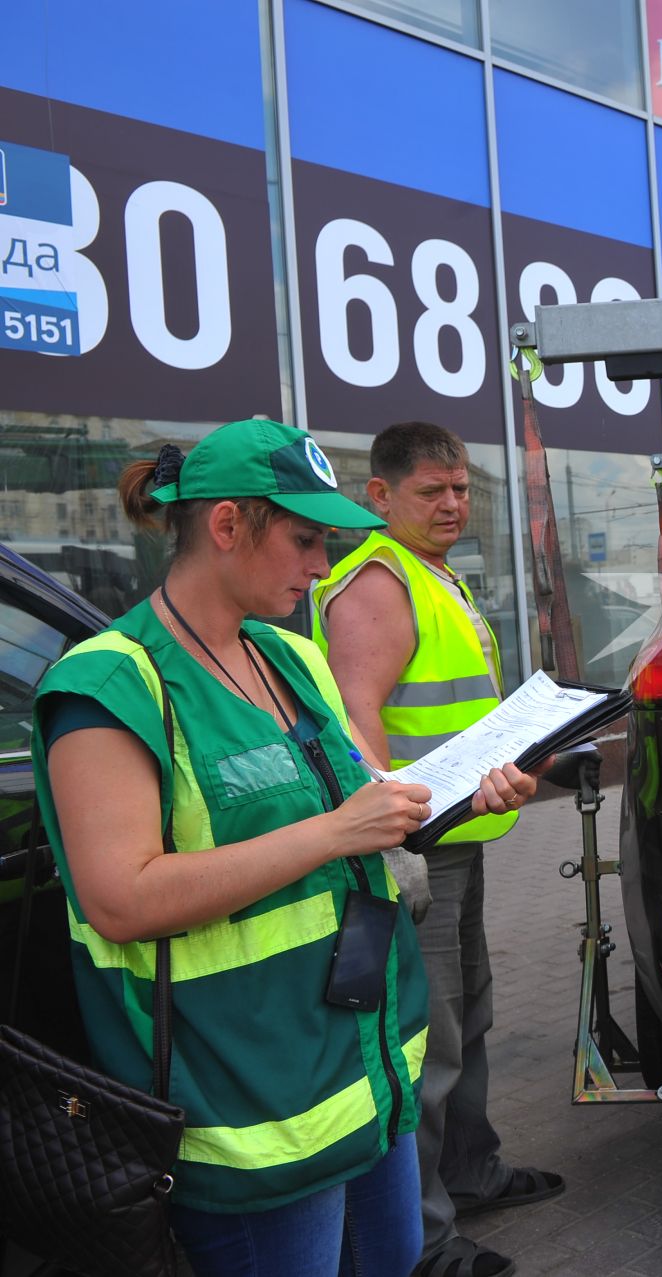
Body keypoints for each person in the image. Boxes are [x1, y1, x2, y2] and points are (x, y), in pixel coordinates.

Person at [31, 419, 535, 1277]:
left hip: (362, 1070)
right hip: (248, 1110)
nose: (320, 562)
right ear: (226, 526)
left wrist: (456, 791)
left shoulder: (290, 655)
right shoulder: (110, 684)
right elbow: (120, 896)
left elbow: (366, 794)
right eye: (304, 538)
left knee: (393, 1256)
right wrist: (335, 831)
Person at [311, 422, 563, 1277]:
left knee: (471, 1018)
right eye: (431, 491)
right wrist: (392, 843)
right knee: (428, 1041)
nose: (453, 503)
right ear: (379, 496)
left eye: (459, 487)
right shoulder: (378, 585)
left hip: (459, 837)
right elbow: (358, 719)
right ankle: (422, 1241)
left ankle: (472, 1169)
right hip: (420, 852)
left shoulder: (430, 574)